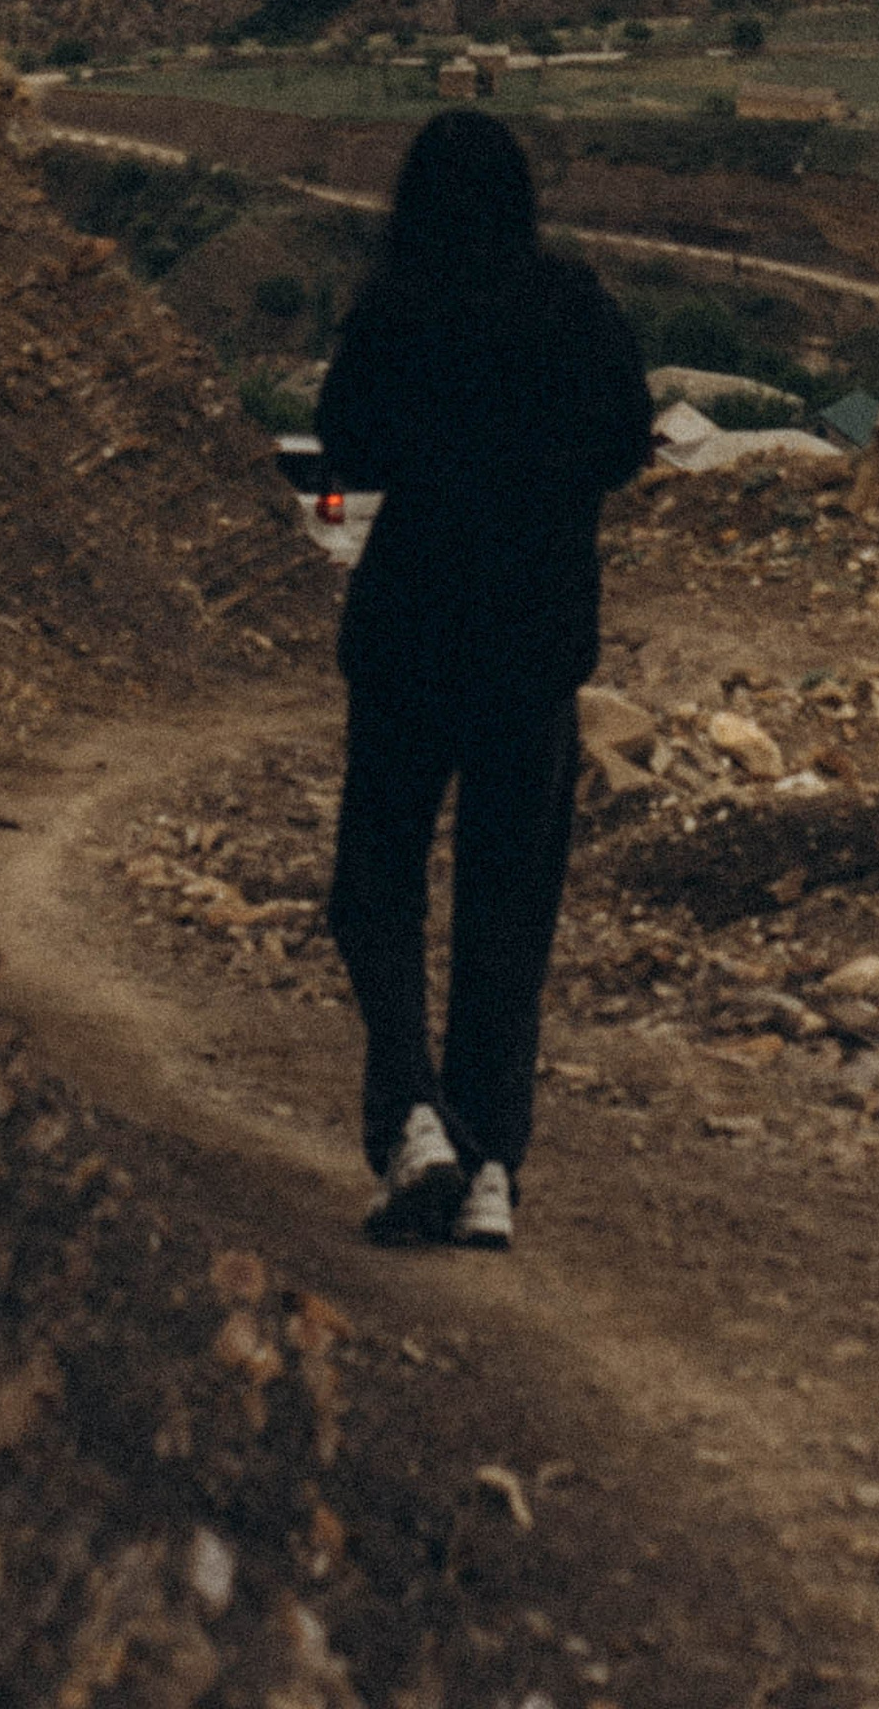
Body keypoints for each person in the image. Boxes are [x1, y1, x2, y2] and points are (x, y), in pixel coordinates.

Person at [315, 107, 653, 1250]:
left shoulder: (398, 308)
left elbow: (344, 442)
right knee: (508, 909)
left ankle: (414, 1120)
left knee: (376, 886)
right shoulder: (575, 307)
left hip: (409, 637)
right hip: (532, 651)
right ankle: (492, 1168)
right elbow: (627, 443)